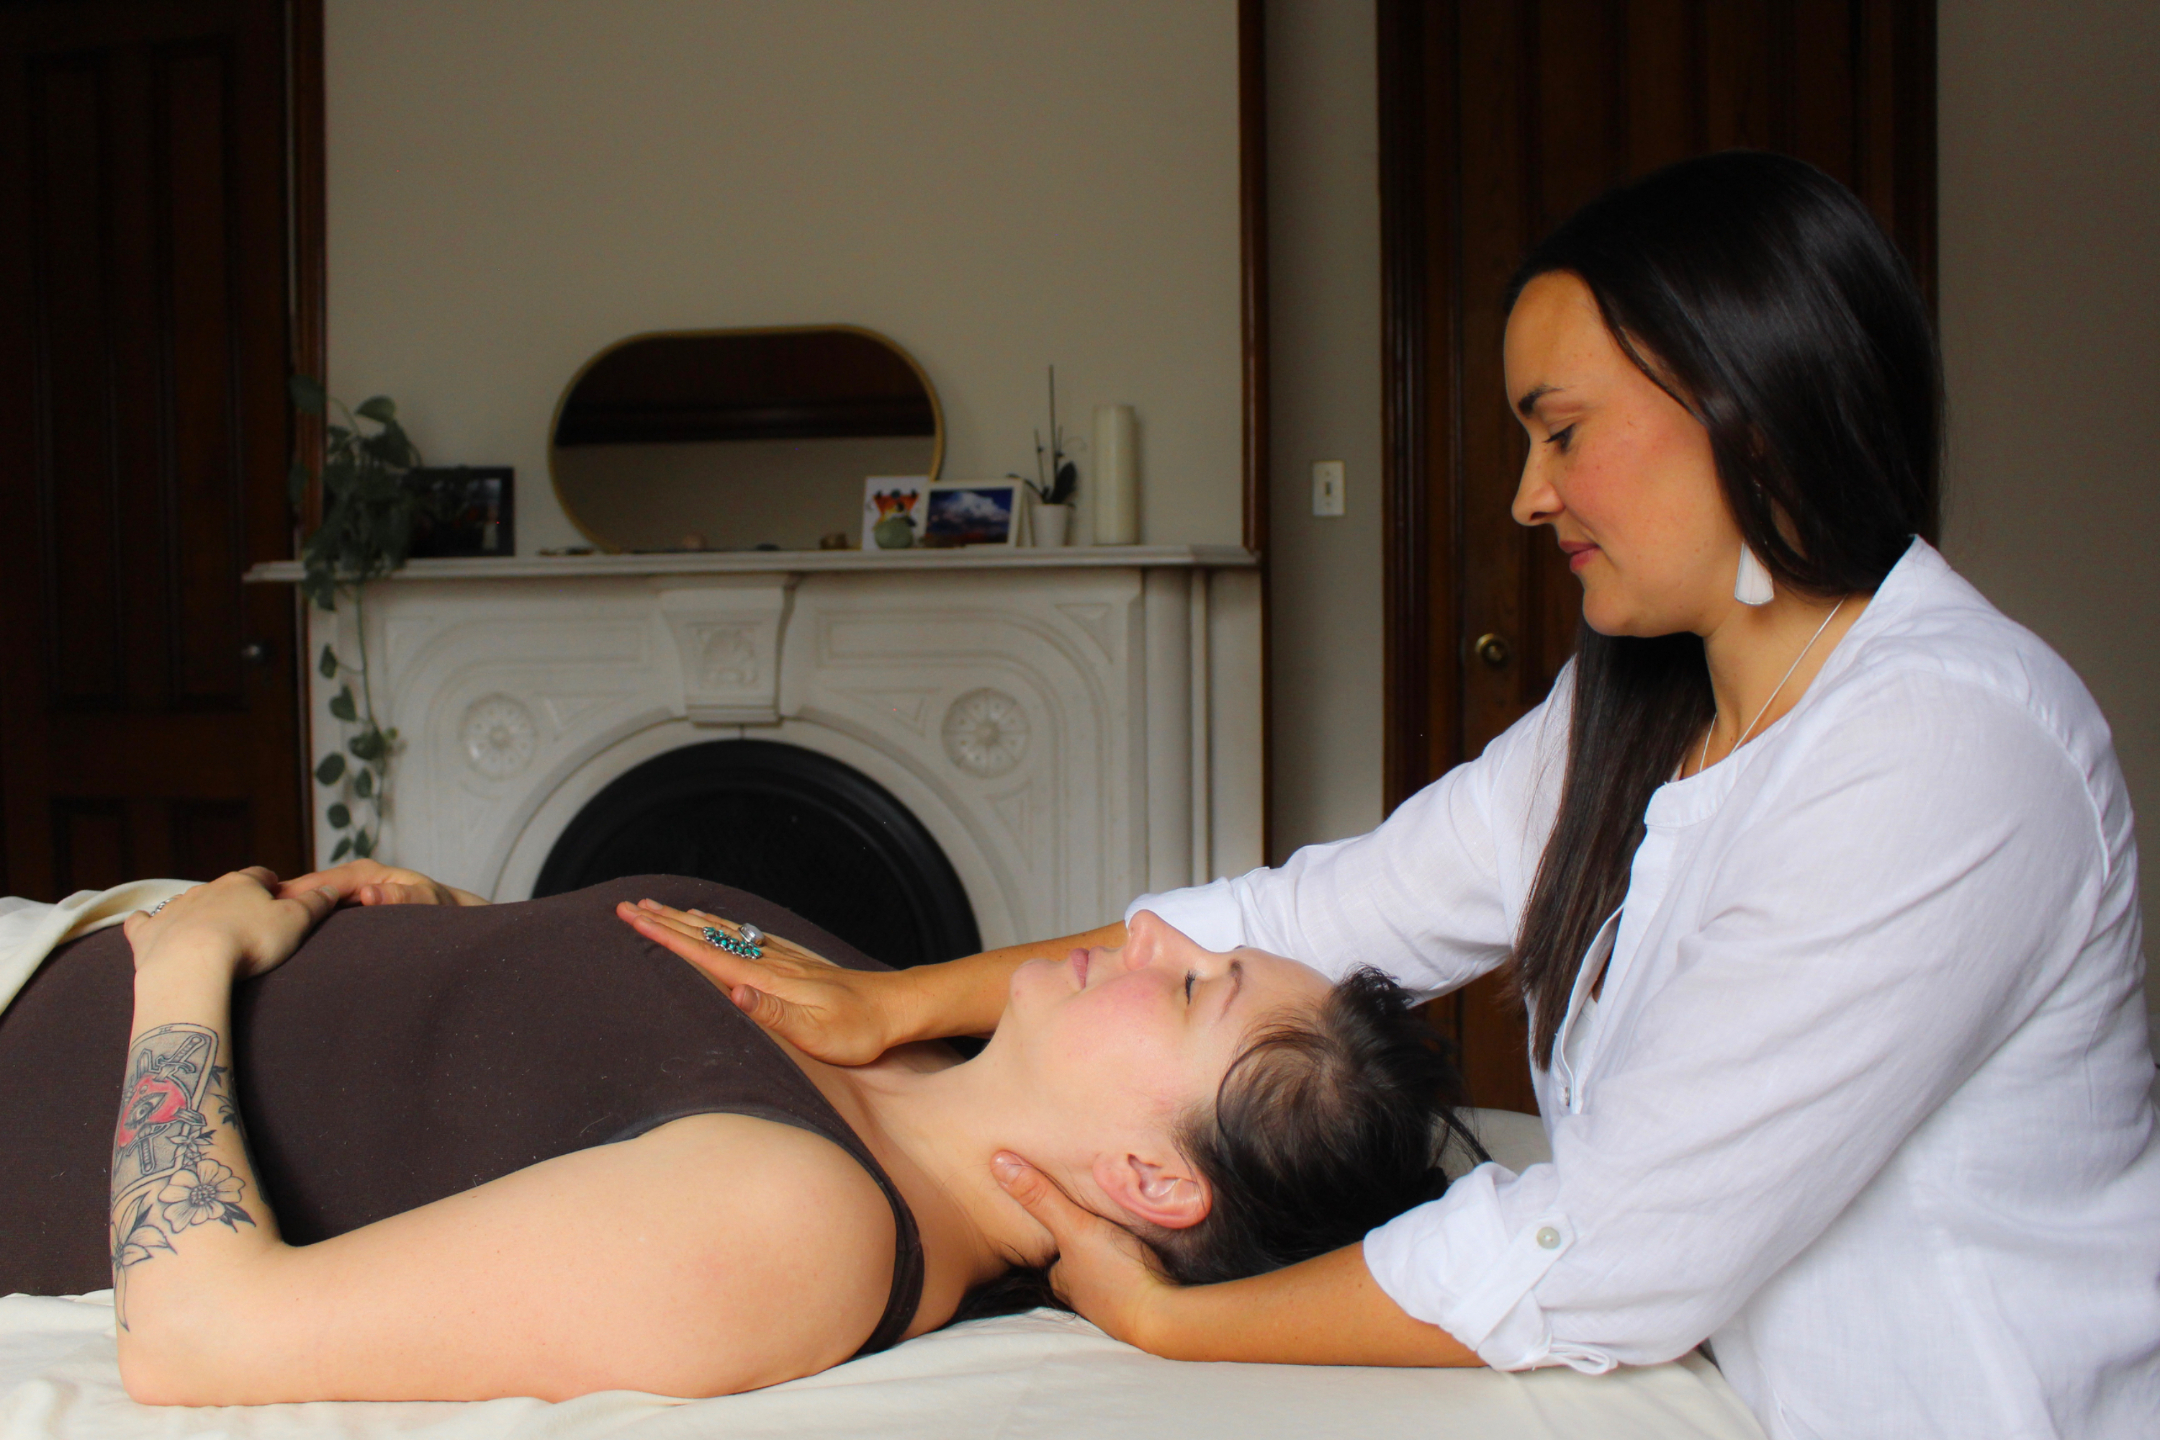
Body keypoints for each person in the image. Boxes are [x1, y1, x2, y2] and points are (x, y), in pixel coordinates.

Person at [663, 151, 2160, 1439]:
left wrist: (1176, 1323)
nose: (1527, 494)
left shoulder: (1947, 747)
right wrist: (898, 1002)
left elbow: (1622, 1243)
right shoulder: (1643, 705)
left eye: (1561, 431)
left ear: (1746, 408)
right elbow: (1314, 921)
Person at [0, 866, 1474, 1404]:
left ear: (1150, 1180)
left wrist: (189, 962)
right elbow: (545, 1066)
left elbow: (198, 1335)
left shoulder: (803, 1227)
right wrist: (440, 927)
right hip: (74, 948)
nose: (1154, 931)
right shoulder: (886, 1023)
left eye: (1197, 989)